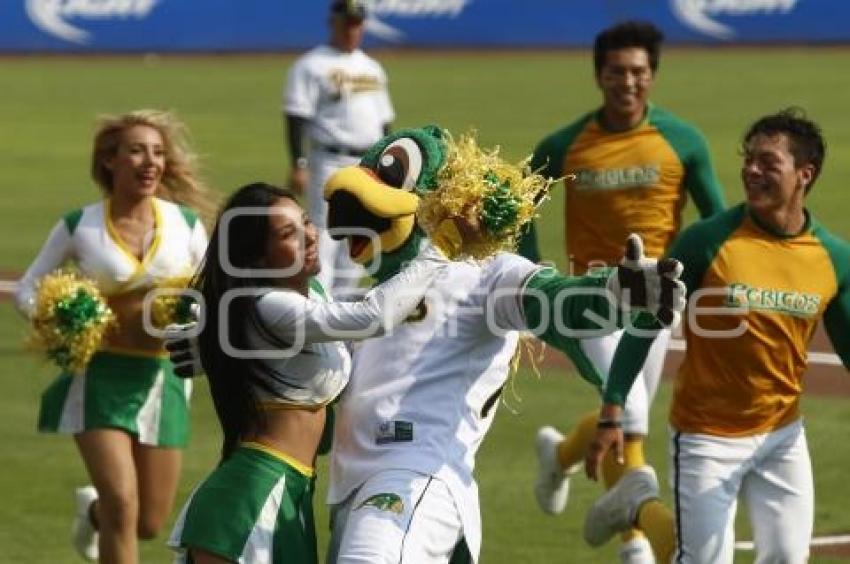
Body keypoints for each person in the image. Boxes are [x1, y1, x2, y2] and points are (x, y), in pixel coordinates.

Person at [583, 108, 850, 564]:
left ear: (804, 174)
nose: (751, 170)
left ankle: (636, 504)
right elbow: (643, 325)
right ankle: (640, 507)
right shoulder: (705, 242)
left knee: (788, 558)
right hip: (706, 438)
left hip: (782, 436)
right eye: (749, 159)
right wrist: (612, 410)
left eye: (768, 162)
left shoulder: (835, 258)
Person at [522, 21, 726, 563]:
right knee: (629, 409)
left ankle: (561, 453)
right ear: (599, 75)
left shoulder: (684, 141)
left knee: (622, 411)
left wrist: (712, 280)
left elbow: (714, 221)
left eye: (638, 72)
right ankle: (635, 540)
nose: (628, 82)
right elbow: (519, 207)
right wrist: (530, 279)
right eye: (617, 72)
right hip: (589, 298)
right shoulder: (563, 145)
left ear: (652, 75)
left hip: (658, 300)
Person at [167, 182, 453, 564]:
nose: (308, 236)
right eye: (288, 234)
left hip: (293, 487)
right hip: (251, 490)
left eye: (305, 222)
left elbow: (370, 318)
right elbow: (374, 316)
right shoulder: (268, 306)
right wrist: (443, 245)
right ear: (256, 257)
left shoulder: (311, 292)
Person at [14, 109, 212, 562]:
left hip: (165, 379)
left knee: (146, 521)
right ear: (109, 161)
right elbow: (28, 288)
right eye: (137, 151)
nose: (150, 162)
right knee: (125, 502)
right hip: (101, 375)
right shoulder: (78, 225)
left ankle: (94, 512)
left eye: (158, 153)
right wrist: (55, 318)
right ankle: (109, 510)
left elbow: (211, 289)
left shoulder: (184, 224)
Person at [283, 0, 394, 296]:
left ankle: (342, 305)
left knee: (361, 233)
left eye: (357, 23)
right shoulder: (311, 65)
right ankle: (318, 298)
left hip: (369, 162)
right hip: (329, 158)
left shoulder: (372, 67)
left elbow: (384, 121)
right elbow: (296, 115)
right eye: (347, 22)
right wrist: (298, 163)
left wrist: (387, 164)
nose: (352, 29)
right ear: (333, 22)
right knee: (325, 232)